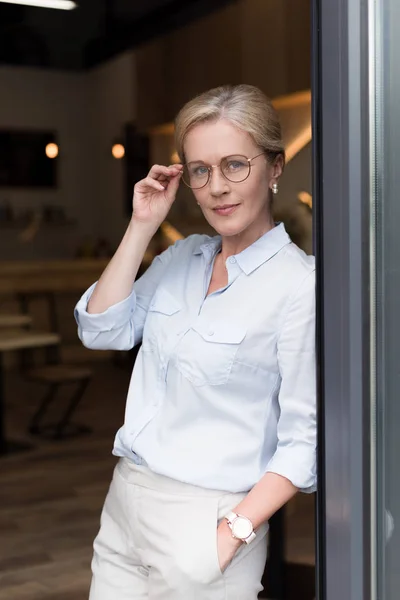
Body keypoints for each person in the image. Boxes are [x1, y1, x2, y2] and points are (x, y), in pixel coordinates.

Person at [74, 84, 316, 600]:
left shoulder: (300, 285)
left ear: (274, 168)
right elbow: (101, 330)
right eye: (201, 171)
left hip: (207, 523)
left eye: (235, 165)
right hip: (125, 505)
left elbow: (305, 440)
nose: (217, 187)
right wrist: (142, 225)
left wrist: (232, 534)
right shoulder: (180, 260)